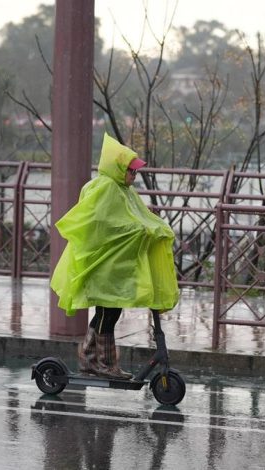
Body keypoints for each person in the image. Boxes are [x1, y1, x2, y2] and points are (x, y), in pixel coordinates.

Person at [50, 132, 179, 379]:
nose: (134, 175)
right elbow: (106, 222)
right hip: (104, 264)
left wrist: (155, 227)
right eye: (132, 171)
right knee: (108, 312)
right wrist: (140, 229)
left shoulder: (122, 189)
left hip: (114, 264)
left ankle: (90, 359)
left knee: (108, 311)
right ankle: (105, 365)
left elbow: (138, 217)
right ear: (119, 168)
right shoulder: (106, 188)